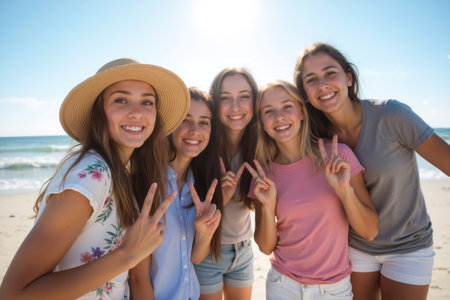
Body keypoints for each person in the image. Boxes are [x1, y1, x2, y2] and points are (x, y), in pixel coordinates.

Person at [0, 58, 190, 300]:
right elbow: (13, 295)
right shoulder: (91, 175)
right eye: (121, 100)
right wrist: (126, 256)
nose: (137, 112)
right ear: (99, 111)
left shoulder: (121, 175)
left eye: (147, 102)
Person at [294, 42, 450, 300]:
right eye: (311, 80)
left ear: (348, 77)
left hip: (409, 246)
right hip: (355, 247)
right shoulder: (315, 138)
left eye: (330, 73)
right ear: (305, 93)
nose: (322, 85)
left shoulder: (391, 114)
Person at [246, 80, 378, 300]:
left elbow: (369, 231)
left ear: (301, 113)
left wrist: (344, 191)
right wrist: (268, 208)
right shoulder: (263, 173)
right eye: (269, 111)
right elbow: (265, 246)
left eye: (287, 106)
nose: (279, 116)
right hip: (282, 284)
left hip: (334, 289)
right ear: (261, 122)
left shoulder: (338, 157)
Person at [129, 87, 223, 300]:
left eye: (204, 122)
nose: (195, 130)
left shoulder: (200, 186)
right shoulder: (146, 184)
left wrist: (204, 233)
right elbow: (137, 277)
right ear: (169, 126)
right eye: (186, 120)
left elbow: (195, 258)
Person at [194, 67, 258, 300]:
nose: (235, 107)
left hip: (244, 250)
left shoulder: (260, 145)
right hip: (208, 251)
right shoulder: (201, 144)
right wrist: (221, 198)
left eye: (244, 96)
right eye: (225, 98)